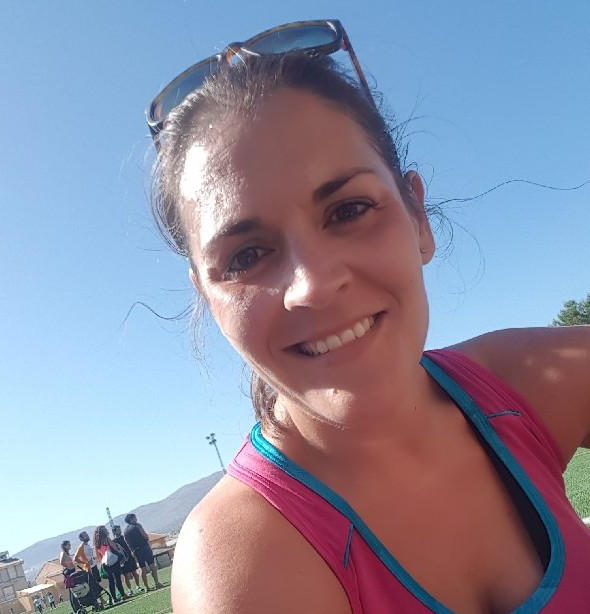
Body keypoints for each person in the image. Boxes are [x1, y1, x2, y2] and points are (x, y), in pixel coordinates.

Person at [147, 19, 590, 614]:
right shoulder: (244, 564)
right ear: (207, 297)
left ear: (418, 219)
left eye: (349, 210)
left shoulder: (529, 384)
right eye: (247, 256)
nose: (313, 285)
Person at [123, 514, 163, 591]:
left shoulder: (125, 531)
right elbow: (145, 536)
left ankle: (146, 587)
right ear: (131, 519)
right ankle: (157, 583)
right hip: (144, 547)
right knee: (152, 565)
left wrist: (133, 552)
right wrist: (146, 538)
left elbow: (128, 544)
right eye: (135, 518)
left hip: (136, 551)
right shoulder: (137, 525)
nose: (136, 519)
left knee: (142, 568)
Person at [93, 525, 129, 603]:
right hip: (113, 560)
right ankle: (123, 594)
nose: (107, 530)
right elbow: (114, 548)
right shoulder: (107, 539)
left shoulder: (97, 544)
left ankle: (114, 597)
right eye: (105, 529)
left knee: (111, 581)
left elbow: (97, 556)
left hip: (105, 562)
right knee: (117, 578)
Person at [113, 524, 144, 595]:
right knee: (125, 575)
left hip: (130, 557)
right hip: (122, 560)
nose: (119, 531)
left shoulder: (124, 537)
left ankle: (138, 586)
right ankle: (130, 590)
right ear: (114, 532)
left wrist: (133, 554)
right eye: (118, 530)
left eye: (120, 529)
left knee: (134, 572)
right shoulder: (114, 541)